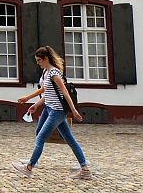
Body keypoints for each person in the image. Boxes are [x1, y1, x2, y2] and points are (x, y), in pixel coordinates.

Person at [12, 45, 92, 180]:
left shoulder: (55, 73)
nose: (37, 63)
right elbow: (47, 92)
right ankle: (85, 169)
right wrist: (35, 104)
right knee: (69, 139)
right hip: (48, 109)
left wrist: (73, 110)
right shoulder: (45, 72)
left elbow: (65, 93)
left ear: (46, 58)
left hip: (57, 112)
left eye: (39, 60)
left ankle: (29, 167)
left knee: (41, 137)